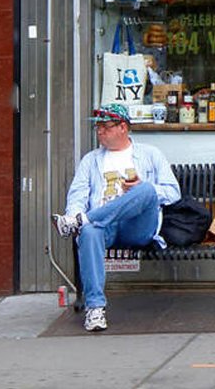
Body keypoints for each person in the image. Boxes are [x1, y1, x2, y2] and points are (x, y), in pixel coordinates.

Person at [51, 104, 180, 332]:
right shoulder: (91, 160)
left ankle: (82, 222)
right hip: (104, 228)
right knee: (89, 232)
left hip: (138, 227)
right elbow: (77, 196)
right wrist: (74, 213)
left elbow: (173, 192)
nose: (99, 131)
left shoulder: (150, 154)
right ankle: (95, 309)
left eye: (105, 127)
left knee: (147, 190)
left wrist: (141, 187)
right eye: (97, 127)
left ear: (123, 127)